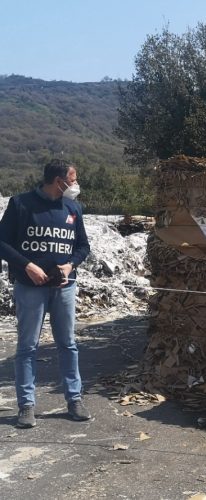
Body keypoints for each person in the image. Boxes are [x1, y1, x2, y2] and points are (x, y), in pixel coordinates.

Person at [0, 159, 92, 428]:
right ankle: (26, 406)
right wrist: (27, 266)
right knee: (27, 347)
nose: (75, 184)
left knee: (68, 344)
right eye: (72, 179)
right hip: (30, 288)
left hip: (64, 287)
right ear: (58, 181)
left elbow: (83, 247)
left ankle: (74, 399)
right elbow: (2, 242)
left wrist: (69, 265)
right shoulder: (21, 204)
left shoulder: (73, 208)